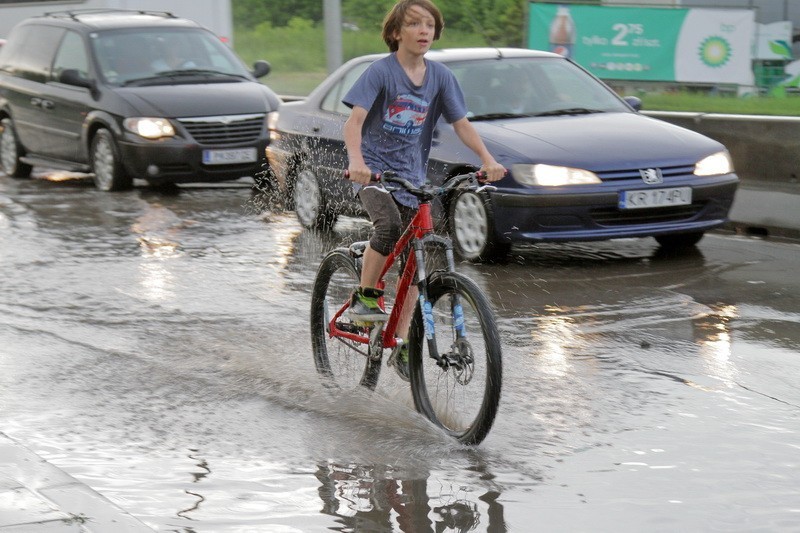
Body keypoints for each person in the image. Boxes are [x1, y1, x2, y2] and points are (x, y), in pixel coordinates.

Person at [342, 0, 505, 381]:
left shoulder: (441, 77)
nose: (423, 30)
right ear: (396, 33)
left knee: (417, 260)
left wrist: (486, 158)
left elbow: (461, 124)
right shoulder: (380, 72)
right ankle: (364, 301)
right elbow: (354, 122)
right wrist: (356, 161)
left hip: (413, 179)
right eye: (414, 23)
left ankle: (400, 344)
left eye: (429, 24)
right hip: (374, 175)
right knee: (386, 229)